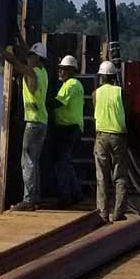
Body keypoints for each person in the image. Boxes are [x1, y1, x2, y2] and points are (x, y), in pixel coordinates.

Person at [91, 60, 130, 221]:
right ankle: (118, 213)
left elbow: (96, 109)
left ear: (101, 77)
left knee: (101, 176)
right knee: (119, 176)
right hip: (118, 136)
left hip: (101, 136)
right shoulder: (121, 92)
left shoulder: (95, 93)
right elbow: (127, 112)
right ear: (114, 77)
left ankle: (102, 213)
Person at [16, 42, 52, 210]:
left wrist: (2, 50)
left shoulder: (32, 73)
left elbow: (16, 63)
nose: (28, 58)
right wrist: (19, 38)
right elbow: (27, 55)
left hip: (33, 122)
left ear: (37, 58)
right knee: (34, 161)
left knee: (27, 161)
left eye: (31, 56)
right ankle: (35, 197)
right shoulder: (43, 72)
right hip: (42, 121)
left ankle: (28, 200)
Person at [49, 54, 86, 208]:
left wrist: (40, 103)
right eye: (60, 69)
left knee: (61, 164)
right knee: (66, 163)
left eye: (63, 69)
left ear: (71, 70)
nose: (60, 72)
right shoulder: (68, 84)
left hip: (69, 129)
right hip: (68, 128)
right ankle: (76, 194)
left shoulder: (71, 84)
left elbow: (57, 103)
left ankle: (65, 198)